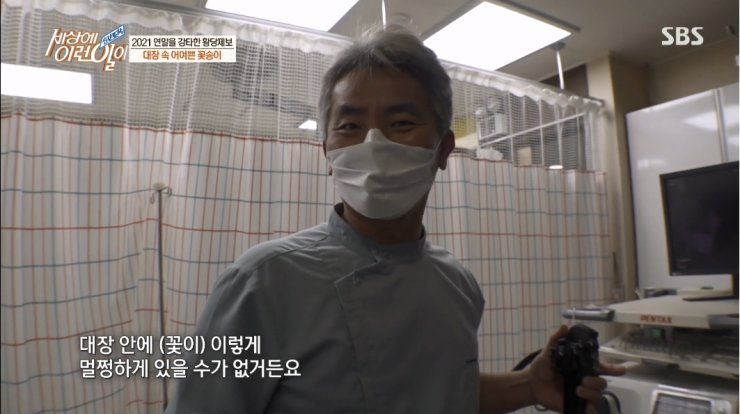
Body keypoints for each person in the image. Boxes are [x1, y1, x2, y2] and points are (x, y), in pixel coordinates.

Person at [165, 24, 624, 414]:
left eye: (401, 123)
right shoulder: (263, 282)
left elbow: (436, 392)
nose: (374, 145)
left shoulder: (457, 284)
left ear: (443, 149)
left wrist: (527, 386)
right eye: (349, 126)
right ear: (328, 152)